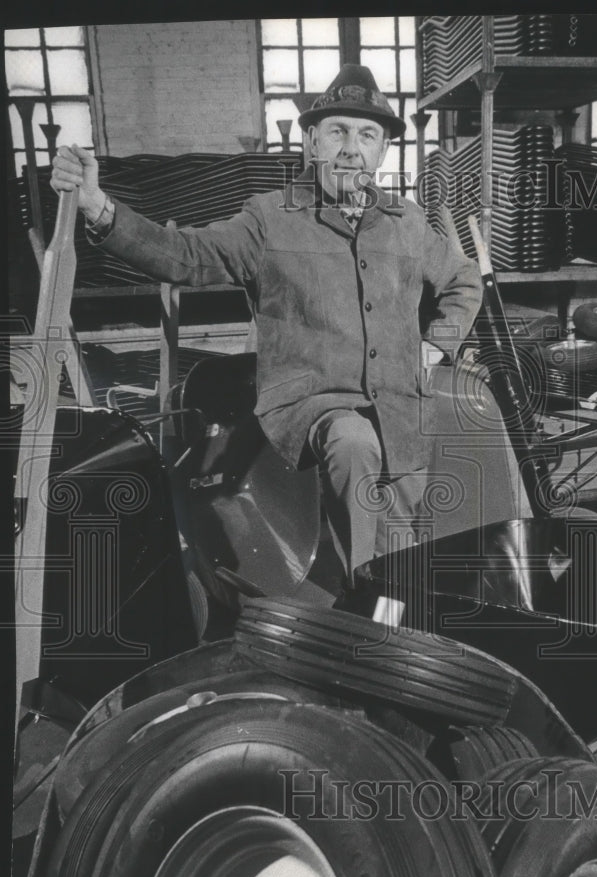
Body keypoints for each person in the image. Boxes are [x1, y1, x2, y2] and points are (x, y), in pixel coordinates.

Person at [51, 64, 483, 587]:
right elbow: (187, 255)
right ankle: (375, 614)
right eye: (337, 132)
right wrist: (99, 208)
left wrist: (436, 347)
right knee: (353, 448)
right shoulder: (270, 218)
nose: (352, 147)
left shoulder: (406, 221)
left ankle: (396, 600)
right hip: (319, 401)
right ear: (312, 141)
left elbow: (463, 280)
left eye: (368, 134)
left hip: (399, 404)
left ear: (384, 149)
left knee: (405, 534)